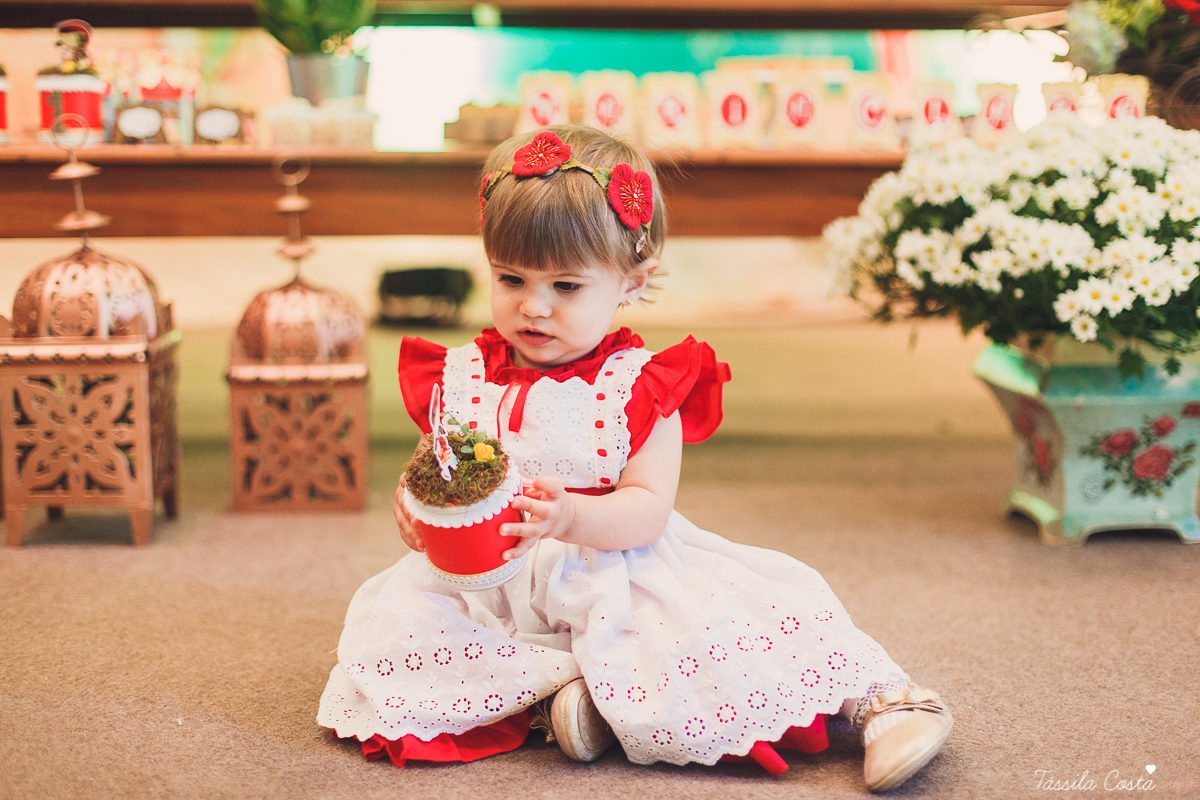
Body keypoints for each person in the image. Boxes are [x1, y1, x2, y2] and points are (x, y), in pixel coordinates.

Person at [317, 126, 953, 792]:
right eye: (511, 278)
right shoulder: (463, 375)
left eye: (566, 285)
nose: (533, 305)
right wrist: (418, 513)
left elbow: (647, 511)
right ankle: (568, 699)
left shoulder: (637, 386)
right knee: (401, 633)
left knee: (708, 633)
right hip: (490, 585)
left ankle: (882, 705)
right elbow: (437, 470)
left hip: (608, 568)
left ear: (632, 280)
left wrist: (568, 517)